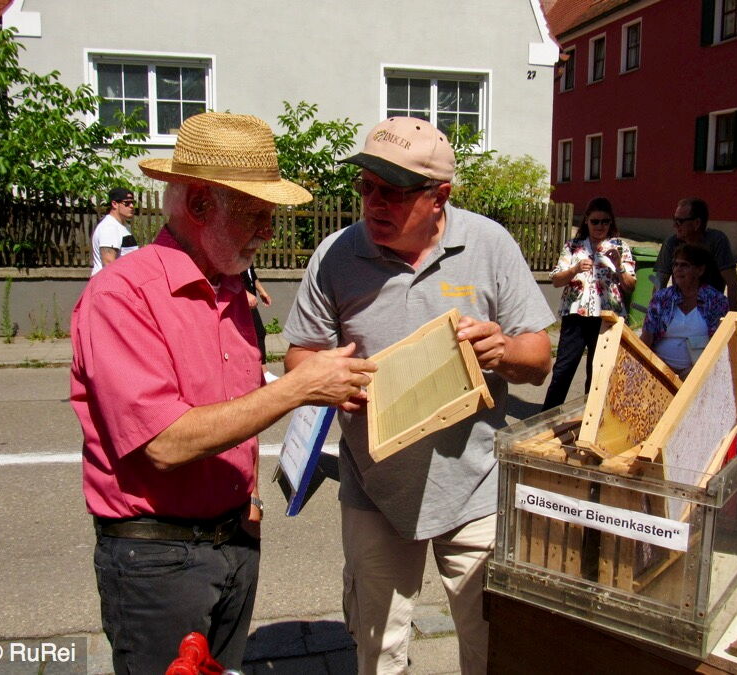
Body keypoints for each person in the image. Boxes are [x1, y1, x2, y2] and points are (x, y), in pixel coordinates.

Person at [69, 112, 377, 674]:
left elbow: (233, 409)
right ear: (200, 204)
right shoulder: (122, 295)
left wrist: (248, 500)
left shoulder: (230, 289)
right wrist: (297, 389)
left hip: (233, 539)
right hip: (158, 558)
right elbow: (165, 443)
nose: (269, 231)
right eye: (256, 214)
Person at [282, 116, 554, 674]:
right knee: (378, 649)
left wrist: (501, 349)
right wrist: (329, 381)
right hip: (375, 487)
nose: (374, 203)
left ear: (440, 197)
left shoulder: (489, 244)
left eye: (394, 191)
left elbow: (538, 358)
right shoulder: (335, 254)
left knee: (490, 644)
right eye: (367, 187)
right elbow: (300, 355)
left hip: (475, 487)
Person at [541, 197, 636, 411]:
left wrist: (619, 265)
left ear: (611, 222)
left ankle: (589, 417)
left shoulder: (620, 247)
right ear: (586, 221)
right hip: (576, 316)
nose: (600, 226)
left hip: (606, 318)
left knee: (598, 371)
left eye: (605, 221)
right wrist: (574, 269)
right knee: (563, 369)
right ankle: (548, 416)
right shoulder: (573, 246)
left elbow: (630, 286)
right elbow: (556, 280)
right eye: (595, 221)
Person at [641, 243, 730, 378]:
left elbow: (719, 347)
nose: (677, 269)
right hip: (659, 371)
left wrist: (695, 372)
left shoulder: (716, 301)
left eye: (684, 265)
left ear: (700, 270)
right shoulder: (662, 298)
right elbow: (646, 338)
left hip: (700, 373)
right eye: (675, 265)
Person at [654, 197, 737, 310]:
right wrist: (656, 311)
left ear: (697, 223)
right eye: (674, 220)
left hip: (710, 309)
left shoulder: (716, 241)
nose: (675, 225)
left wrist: (732, 316)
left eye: (680, 221)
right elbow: (659, 283)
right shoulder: (671, 243)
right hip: (680, 308)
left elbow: (732, 283)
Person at [91, 187, 139, 275]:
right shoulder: (109, 227)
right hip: (108, 281)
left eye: (133, 203)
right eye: (127, 203)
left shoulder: (121, 226)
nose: (131, 206)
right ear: (114, 204)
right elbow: (108, 263)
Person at [241, 264, 271, 362]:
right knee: (258, 333)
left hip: (249, 303)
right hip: (238, 301)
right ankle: (262, 368)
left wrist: (262, 291)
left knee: (258, 333)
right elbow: (228, 277)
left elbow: (252, 275)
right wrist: (245, 293)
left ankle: (260, 367)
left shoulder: (247, 257)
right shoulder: (233, 257)